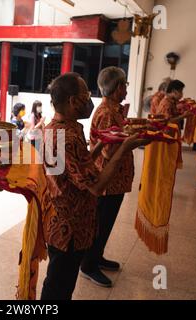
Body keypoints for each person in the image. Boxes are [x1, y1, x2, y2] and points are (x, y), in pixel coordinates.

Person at [40, 72, 149, 300]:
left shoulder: (58, 128)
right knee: (58, 287)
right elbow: (96, 187)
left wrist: (102, 143)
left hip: (61, 219)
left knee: (59, 281)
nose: (89, 99)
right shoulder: (66, 136)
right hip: (68, 227)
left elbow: (78, 165)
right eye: (85, 95)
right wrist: (124, 148)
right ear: (72, 101)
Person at [78, 67, 134, 287]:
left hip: (116, 180)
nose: (125, 89)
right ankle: (88, 265)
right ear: (118, 87)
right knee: (99, 223)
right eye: (124, 85)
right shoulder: (107, 112)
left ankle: (97, 256)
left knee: (106, 223)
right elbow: (108, 151)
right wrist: (130, 141)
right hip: (107, 179)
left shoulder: (114, 110)